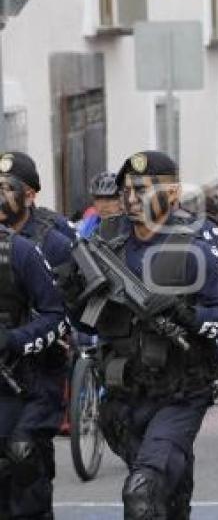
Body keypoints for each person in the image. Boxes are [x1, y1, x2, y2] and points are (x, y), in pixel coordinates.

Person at [58, 151, 218, 519]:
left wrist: (184, 312)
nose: (131, 198)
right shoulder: (106, 238)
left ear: (173, 194)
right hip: (123, 394)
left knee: (141, 493)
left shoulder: (198, 240)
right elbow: (87, 324)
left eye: (143, 189)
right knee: (164, 497)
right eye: (126, 189)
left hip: (180, 391)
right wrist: (72, 296)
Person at [0, 184, 68, 519]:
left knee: (24, 468)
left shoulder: (20, 251)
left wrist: (14, 339)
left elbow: (58, 316)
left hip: (22, 384)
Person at [78, 171, 123, 239]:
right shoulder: (90, 222)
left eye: (109, 199)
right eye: (98, 199)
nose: (103, 205)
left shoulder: (133, 227)